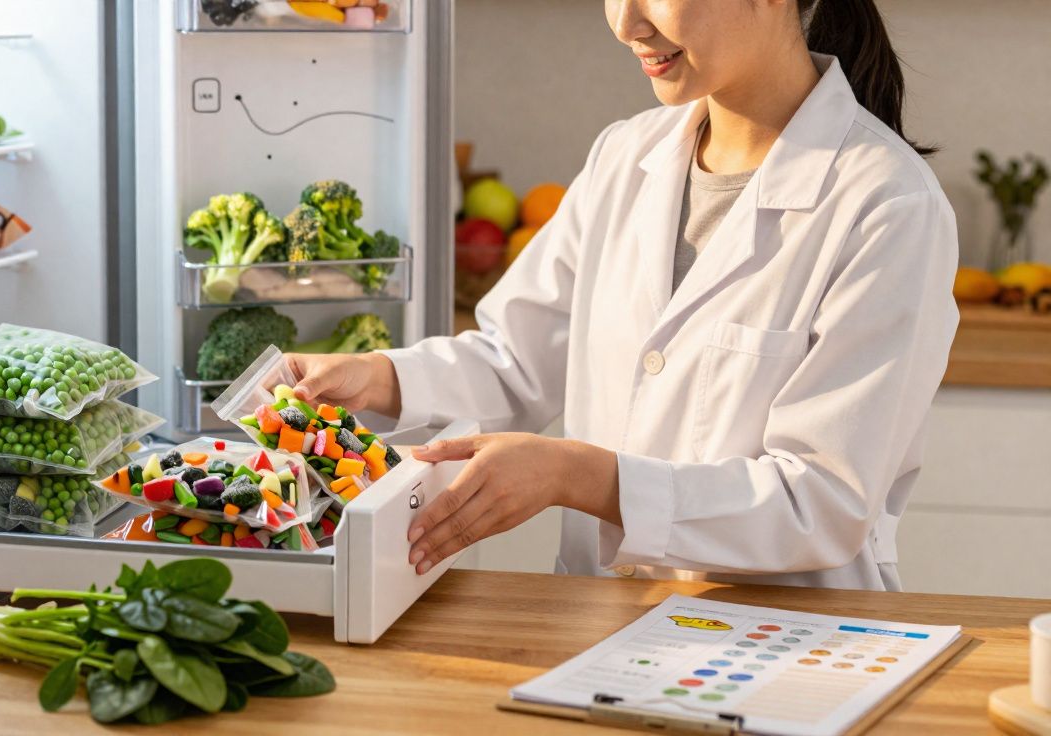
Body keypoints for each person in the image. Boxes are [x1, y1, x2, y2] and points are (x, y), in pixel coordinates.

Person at [288, 0, 958, 591]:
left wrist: (577, 476)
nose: (625, 22)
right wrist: (375, 378)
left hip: (785, 651)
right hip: (601, 629)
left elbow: (820, 502)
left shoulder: (886, 203)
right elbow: (514, 358)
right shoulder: (624, 156)